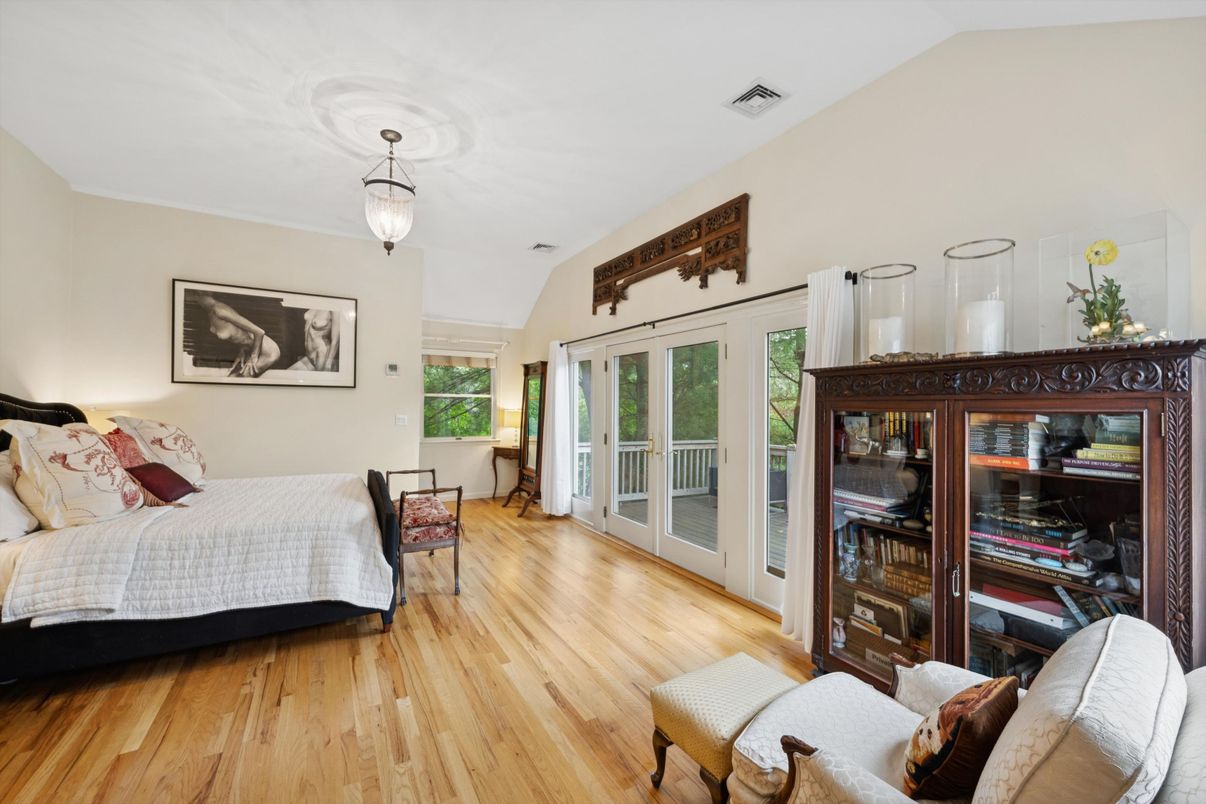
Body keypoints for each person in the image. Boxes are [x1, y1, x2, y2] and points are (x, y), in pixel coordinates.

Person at [195, 293, 280, 378]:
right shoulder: (211, 312)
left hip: (267, 351)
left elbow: (259, 332)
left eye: (194, 294)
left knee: (236, 381)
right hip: (251, 349)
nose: (191, 297)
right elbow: (240, 333)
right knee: (231, 379)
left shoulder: (220, 311)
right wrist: (243, 350)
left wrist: (253, 357)